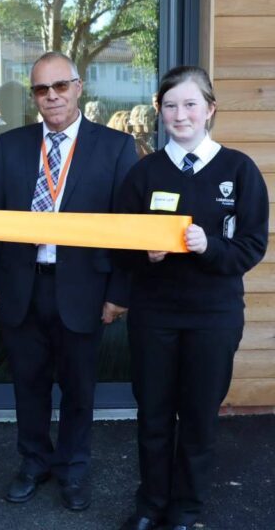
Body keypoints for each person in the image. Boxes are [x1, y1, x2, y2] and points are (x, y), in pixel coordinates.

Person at [0, 51, 139, 512]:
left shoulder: (116, 147)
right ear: (34, 96)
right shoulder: (12, 144)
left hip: (85, 289)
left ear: (78, 87)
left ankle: (73, 470)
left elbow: (126, 229)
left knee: (79, 388)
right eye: (42, 90)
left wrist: (119, 292)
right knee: (28, 384)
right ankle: (33, 463)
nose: (52, 97)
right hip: (22, 285)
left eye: (60, 86)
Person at [115, 66, 268, 530]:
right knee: (155, 415)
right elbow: (121, 248)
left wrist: (210, 247)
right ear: (160, 113)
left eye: (190, 104)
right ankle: (151, 505)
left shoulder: (239, 171)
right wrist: (149, 256)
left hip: (213, 316)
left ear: (209, 110)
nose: (180, 114)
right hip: (154, 315)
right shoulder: (144, 174)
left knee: (200, 417)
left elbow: (252, 245)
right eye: (170, 105)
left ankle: (186, 510)